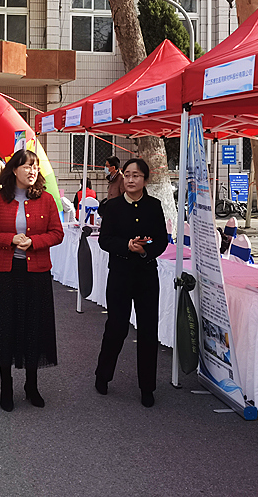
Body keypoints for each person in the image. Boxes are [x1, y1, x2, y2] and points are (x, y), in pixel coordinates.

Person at [0, 149, 64, 412]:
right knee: (5, 327)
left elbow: (57, 233)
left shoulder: (46, 199)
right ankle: (6, 387)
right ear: (14, 170)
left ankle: (31, 385)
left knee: (34, 327)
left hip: (36, 274)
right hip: (6, 274)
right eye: (27, 166)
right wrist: (9, 239)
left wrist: (34, 242)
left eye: (35, 166)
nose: (32, 171)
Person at [94, 158, 169, 407]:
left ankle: (147, 387)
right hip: (120, 274)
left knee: (148, 330)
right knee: (116, 327)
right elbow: (105, 240)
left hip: (146, 275)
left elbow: (161, 239)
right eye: (127, 175)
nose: (130, 180)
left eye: (136, 175)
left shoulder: (154, 206)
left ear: (145, 180)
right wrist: (126, 245)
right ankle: (103, 375)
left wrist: (146, 249)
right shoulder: (113, 207)